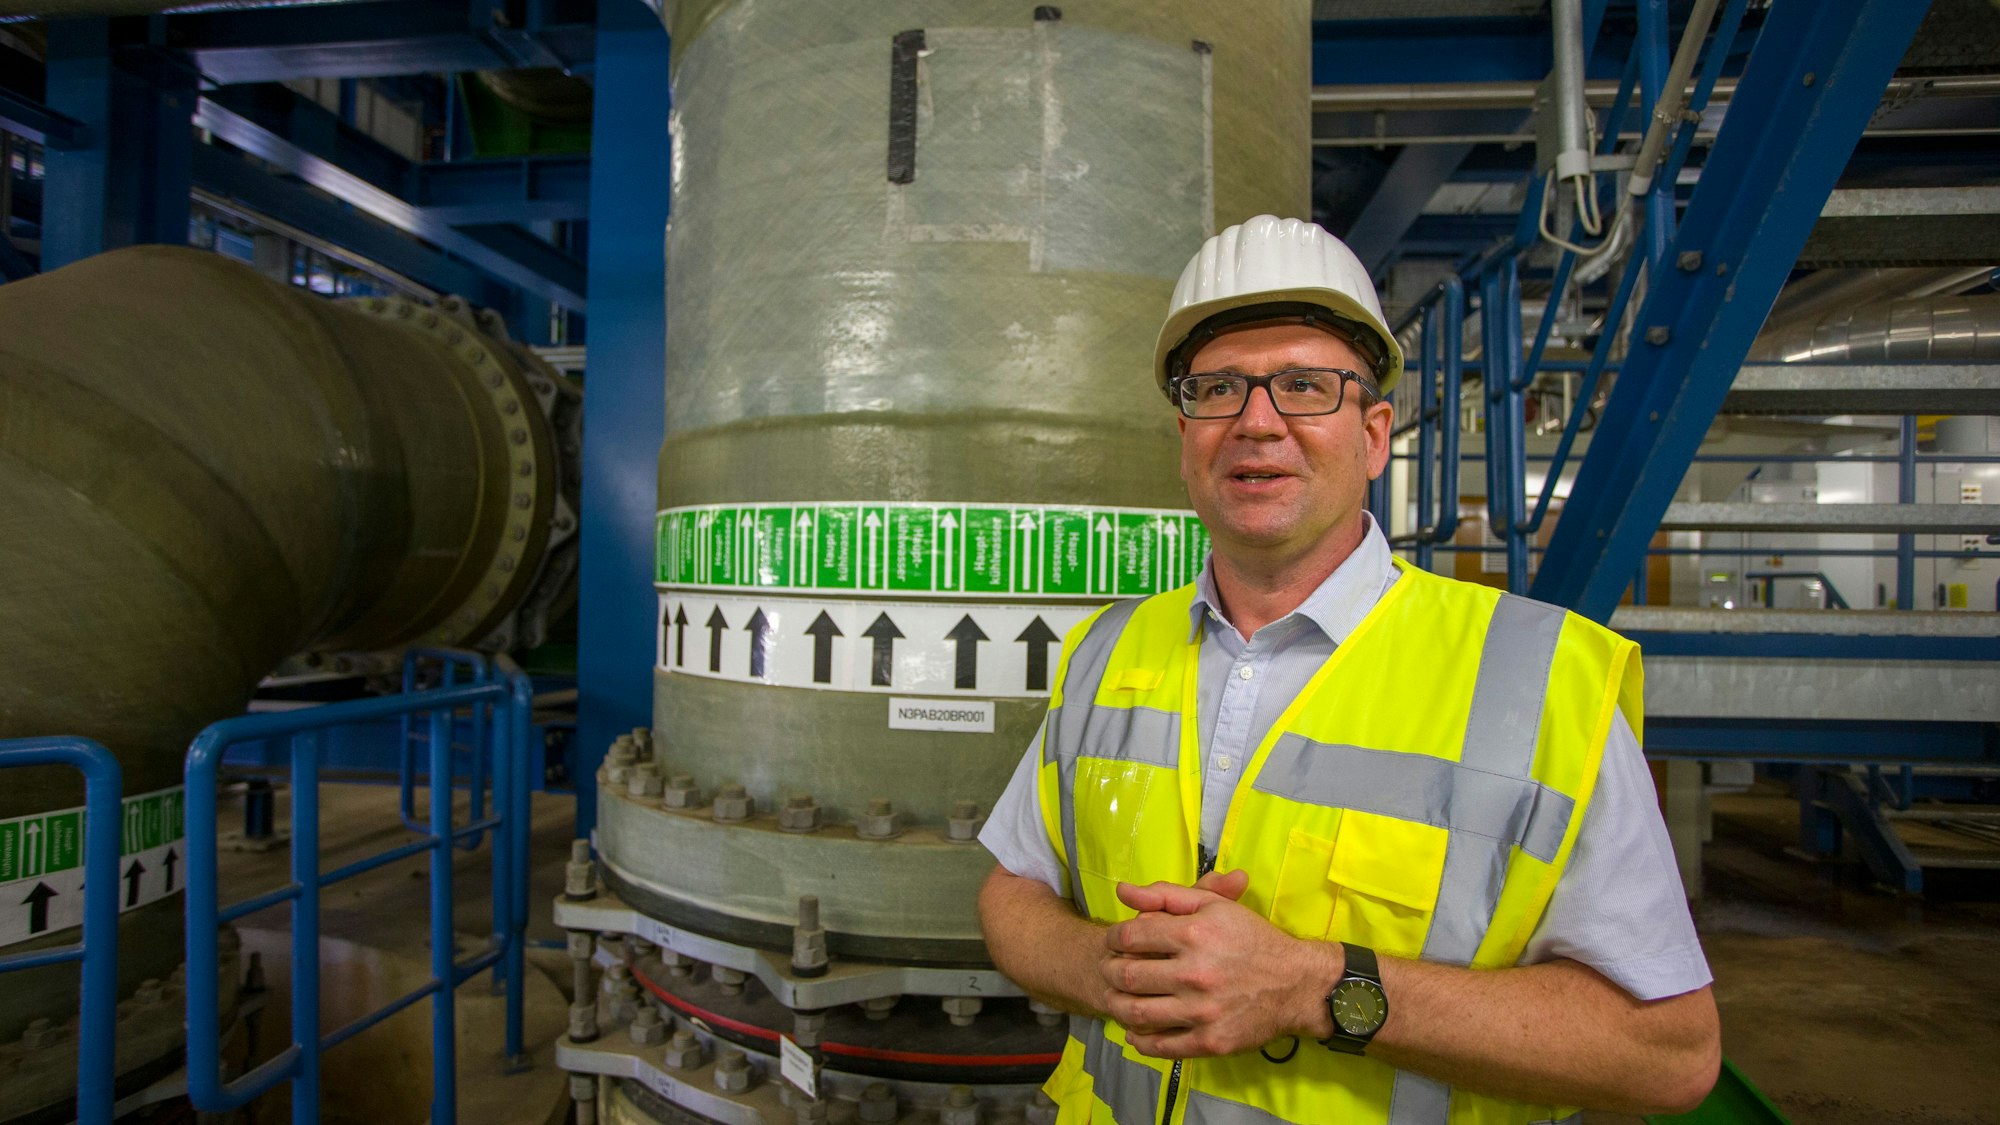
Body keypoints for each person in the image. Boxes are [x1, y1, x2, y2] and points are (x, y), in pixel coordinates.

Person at [977, 215, 1720, 1124]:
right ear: (1185, 438)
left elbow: (1668, 1051)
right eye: (1218, 389)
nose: (1257, 421)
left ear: (1373, 434)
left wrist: (1312, 988)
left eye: (1303, 385)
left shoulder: (1538, 680)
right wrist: (1106, 967)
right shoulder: (1106, 649)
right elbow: (1014, 887)